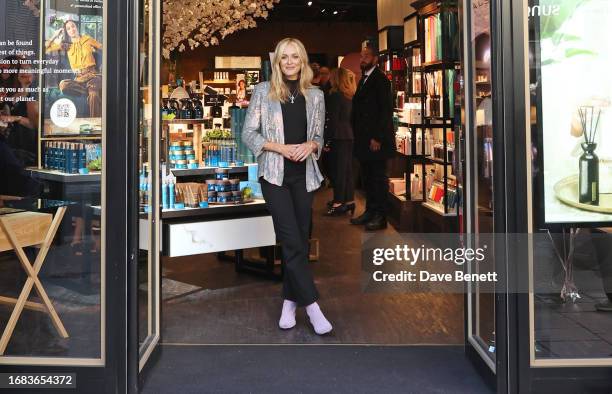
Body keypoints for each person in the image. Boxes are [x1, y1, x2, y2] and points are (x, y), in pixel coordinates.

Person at [242, 38, 332, 335]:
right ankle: (314, 307)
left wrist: (311, 145)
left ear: (302, 61)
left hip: (304, 176)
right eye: (285, 57)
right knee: (291, 239)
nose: (290, 62)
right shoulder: (263, 92)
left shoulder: (316, 95)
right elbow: (248, 134)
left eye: (295, 57)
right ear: (277, 62)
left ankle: (289, 302)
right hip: (275, 176)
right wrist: (278, 148)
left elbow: (319, 137)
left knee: (300, 242)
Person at [350, 39, 394, 231]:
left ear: (375, 59)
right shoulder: (364, 78)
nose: (362, 58)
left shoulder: (381, 80)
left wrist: (378, 137)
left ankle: (380, 216)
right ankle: (370, 211)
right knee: (367, 177)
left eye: (366, 56)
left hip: (376, 141)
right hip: (363, 139)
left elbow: (385, 111)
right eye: (362, 56)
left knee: (378, 178)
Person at [46, 20, 103, 118]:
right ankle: (87, 89)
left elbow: (104, 48)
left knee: (93, 94)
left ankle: (95, 121)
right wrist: (55, 35)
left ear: (77, 27)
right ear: (66, 32)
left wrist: (104, 64)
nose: (71, 29)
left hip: (93, 75)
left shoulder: (87, 39)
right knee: (63, 85)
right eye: (68, 28)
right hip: (79, 79)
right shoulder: (66, 45)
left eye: (73, 26)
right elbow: (46, 48)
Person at [325, 68, 356, 216]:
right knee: (347, 171)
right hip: (349, 135)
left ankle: (338, 203)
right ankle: (349, 201)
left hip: (338, 136)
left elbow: (332, 121)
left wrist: (326, 141)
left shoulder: (335, 96)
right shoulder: (350, 96)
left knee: (337, 171)